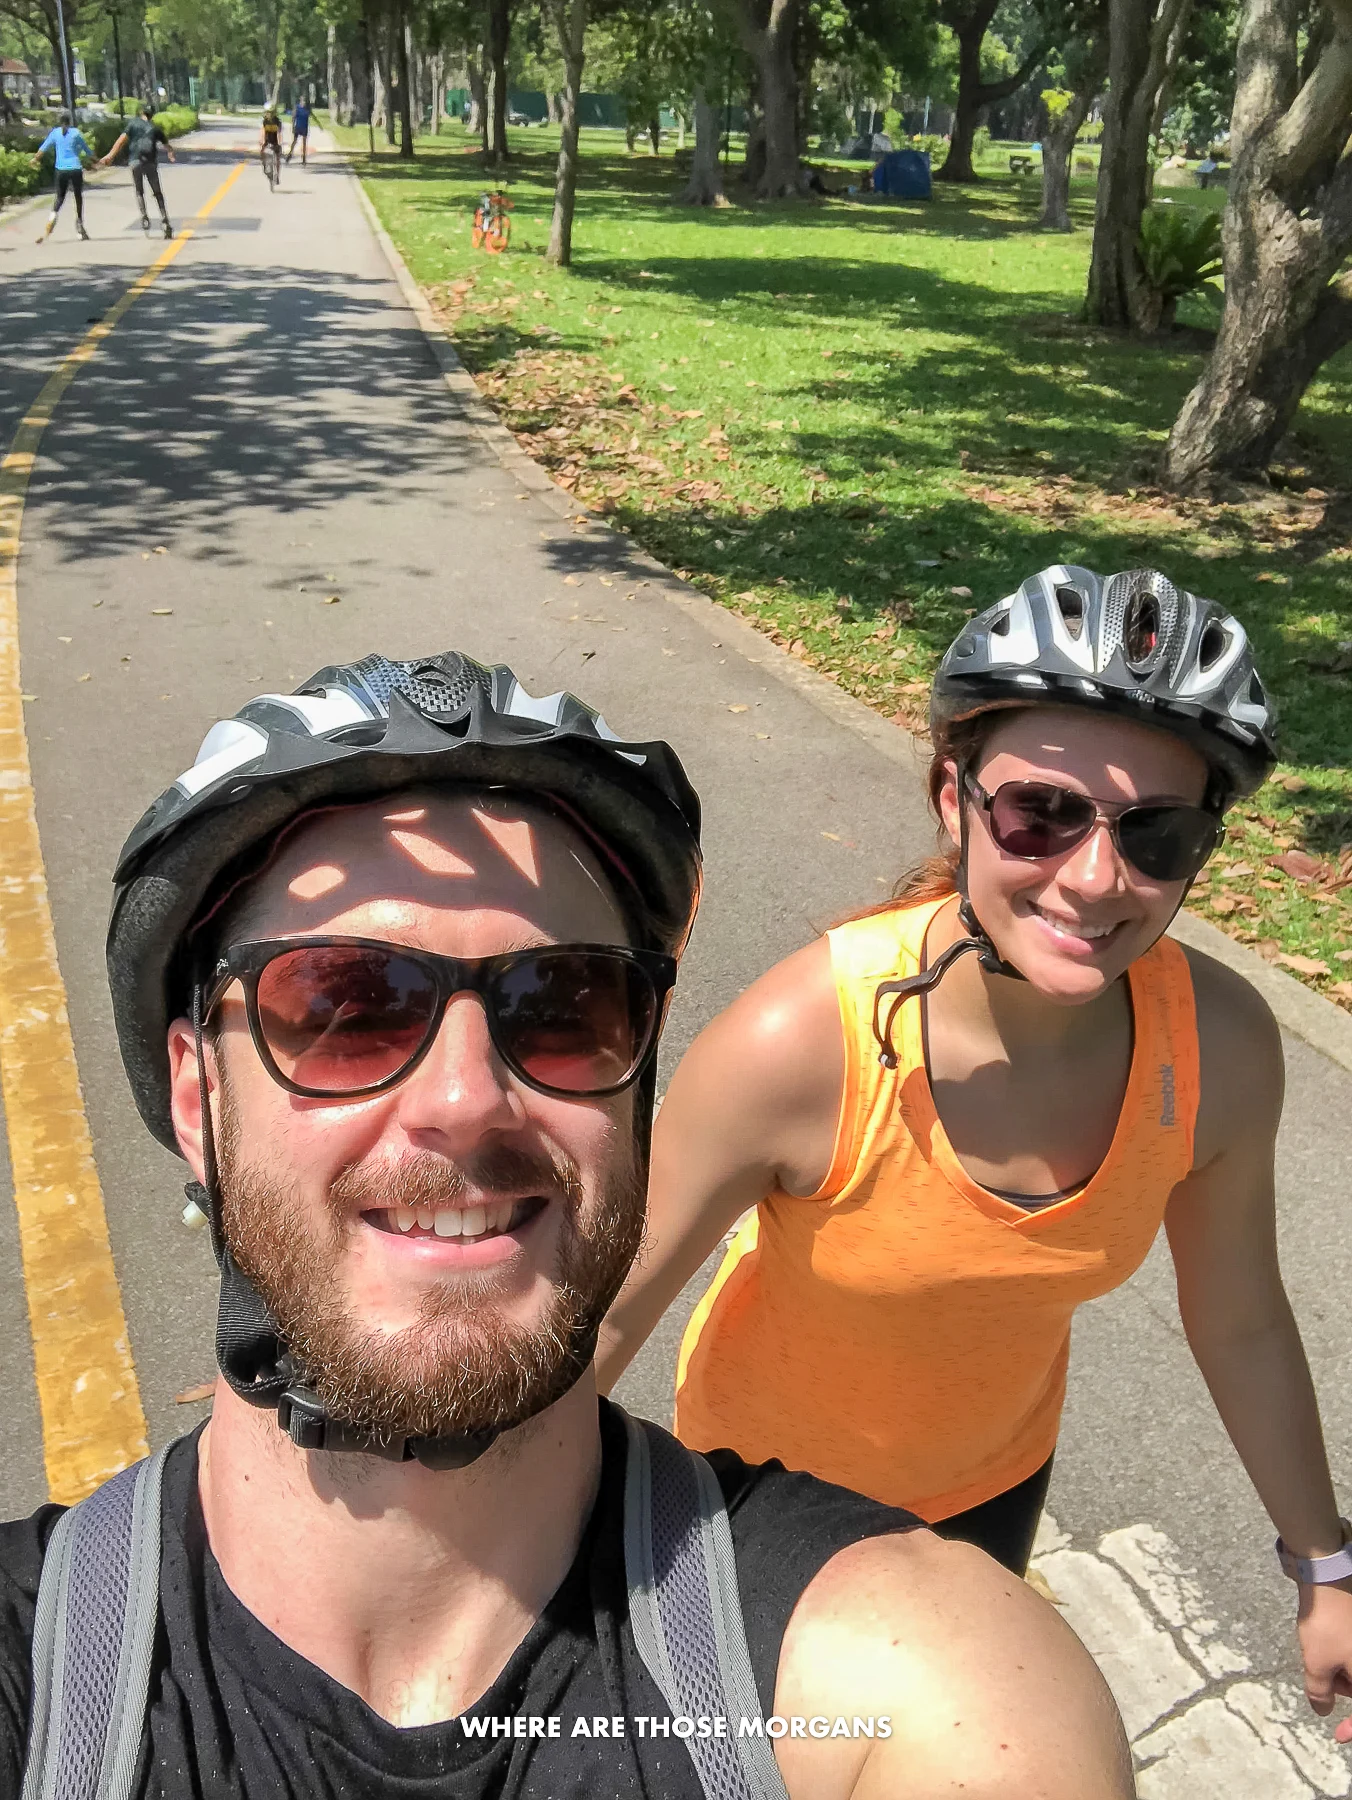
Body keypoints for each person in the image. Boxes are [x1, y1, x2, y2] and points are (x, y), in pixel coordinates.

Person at [0, 651, 1131, 1798]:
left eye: (564, 1007)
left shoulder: (898, 1679)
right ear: (199, 1100)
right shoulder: (39, 1687)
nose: (463, 1098)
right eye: (344, 1008)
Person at [597, 564, 1352, 1725]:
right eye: (1039, 813)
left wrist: (1324, 1565)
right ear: (951, 796)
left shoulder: (1216, 1048)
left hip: (990, 1483)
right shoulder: (802, 1044)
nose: (1096, 878)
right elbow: (603, 1313)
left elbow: (1240, 1317)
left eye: (1158, 835)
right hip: (758, 1495)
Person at [97, 101, 175, 239]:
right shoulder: (155, 128)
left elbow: (120, 141)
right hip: (150, 163)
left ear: (141, 113)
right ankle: (165, 221)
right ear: (152, 115)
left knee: (139, 191)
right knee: (157, 192)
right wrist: (170, 154)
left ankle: (144, 216)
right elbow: (167, 146)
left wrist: (110, 156)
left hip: (135, 162)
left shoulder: (132, 124)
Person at [32, 109, 91, 243]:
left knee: (59, 197)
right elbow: (87, 150)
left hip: (61, 170)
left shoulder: (55, 133)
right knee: (78, 197)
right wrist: (97, 161)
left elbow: (43, 148)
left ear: (59, 122)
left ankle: (52, 216)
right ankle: (80, 226)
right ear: (70, 121)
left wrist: (34, 160)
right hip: (75, 168)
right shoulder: (76, 133)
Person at [259, 105, 283, 182]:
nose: (268, 114)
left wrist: (280, 142)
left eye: (270, 112)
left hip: (275, 142)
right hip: (267, 141)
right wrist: (261, 141)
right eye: (267, 112)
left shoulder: (277, 121)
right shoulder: (264, 121)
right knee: (262, 152)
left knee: (278, 158)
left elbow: (279, 133)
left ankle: (277, 176)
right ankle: (265, 166)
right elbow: (262, 132)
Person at [288, 93, 311, 163]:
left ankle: (304, 157)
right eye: (302, 100)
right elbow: (293, 117)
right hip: (298, 126)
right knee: (294, 141)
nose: (304, 102)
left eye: (305, 101)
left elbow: (311, 115)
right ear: (300, 100)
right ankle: (290, 153)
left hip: (304, 127)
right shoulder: (297, 107)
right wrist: (292, 126)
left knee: (304, 142)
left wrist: (319, 125)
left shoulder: (307, 109)